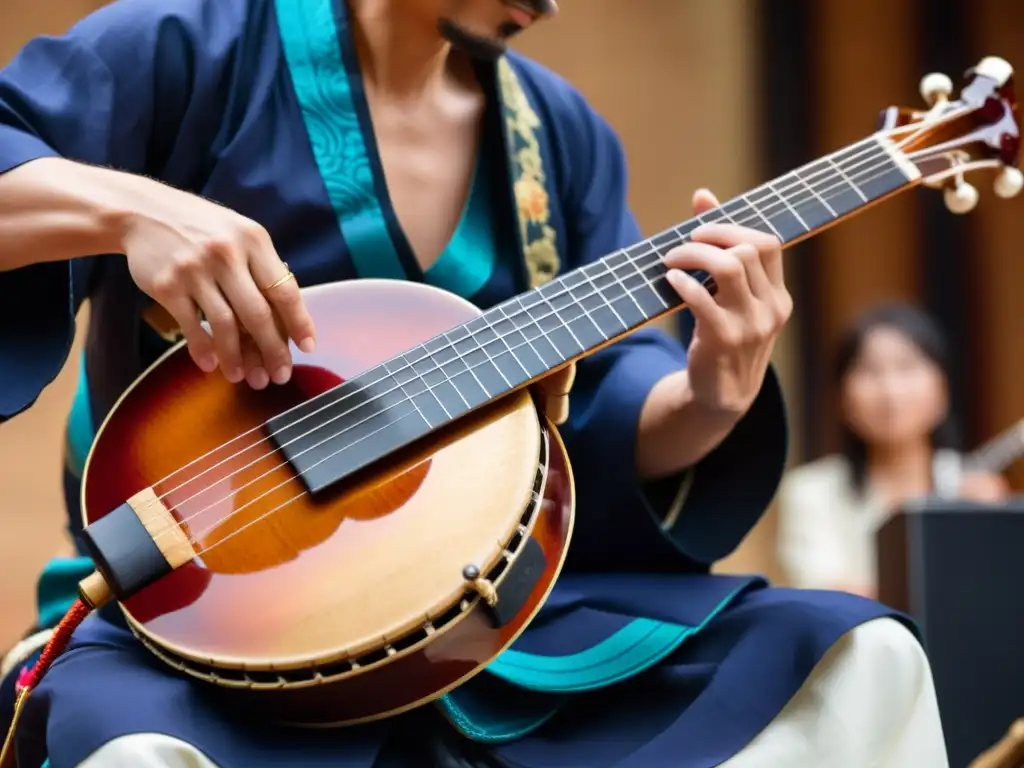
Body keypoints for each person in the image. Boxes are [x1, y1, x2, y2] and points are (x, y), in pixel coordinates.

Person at [0, 1, 949, 766]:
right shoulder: (185, 49)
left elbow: (611, 412)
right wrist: (126, 207)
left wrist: (713, 393)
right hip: (194, 624)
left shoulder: (560, 135)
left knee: (863, 662)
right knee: (137, 755)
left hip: (494, 632)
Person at [777, 303, 1009, 599]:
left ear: (942, 389)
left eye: (907, 367)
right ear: (841, 397)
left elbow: (995, 598)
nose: (890, 391)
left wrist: (992, 531)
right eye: (870, 371)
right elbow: (826, 601)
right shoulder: (810, 492)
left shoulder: (976, 490)